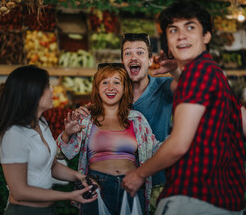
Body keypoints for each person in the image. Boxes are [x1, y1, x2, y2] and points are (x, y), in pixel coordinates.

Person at [122, 1, 246, 215]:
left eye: (190, 27)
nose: (181, 35)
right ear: (167, 40)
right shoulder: (214, 74)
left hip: (193, 200)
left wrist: (139, 174)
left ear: (206, 36)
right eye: (173, 30)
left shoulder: (197, 74)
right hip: (226, 200)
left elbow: (179, 145)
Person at [0, 65, 97, 215]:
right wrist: (69, 196)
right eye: (47, 87)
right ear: (32, 93)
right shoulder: (13, 134)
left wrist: (80, 176)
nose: (52, 91)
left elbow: (52, 166)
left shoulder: (41, 124)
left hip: (47, 210)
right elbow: (20, 192)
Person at [77, 33, 181, 187]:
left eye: (140, 52)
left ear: (150, 60)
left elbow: (189, 86)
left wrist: (175, 71)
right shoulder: (114, 93)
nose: (133, 57)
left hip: (158, 180)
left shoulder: (163, 86)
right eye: (128, 53)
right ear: (122, 61)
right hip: (120, 183)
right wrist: (85, 113)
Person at [56, 63, 162, 215]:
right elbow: (60, 153)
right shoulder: (86, 119)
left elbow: (155, 149)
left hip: (131, 186)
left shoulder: (137, 119)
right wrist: (67, 134)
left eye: (116, 82)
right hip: (97, 186)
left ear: (125, 88)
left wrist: (181, 138)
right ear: (97, 89)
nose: (110, 87)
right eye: (104, 82)